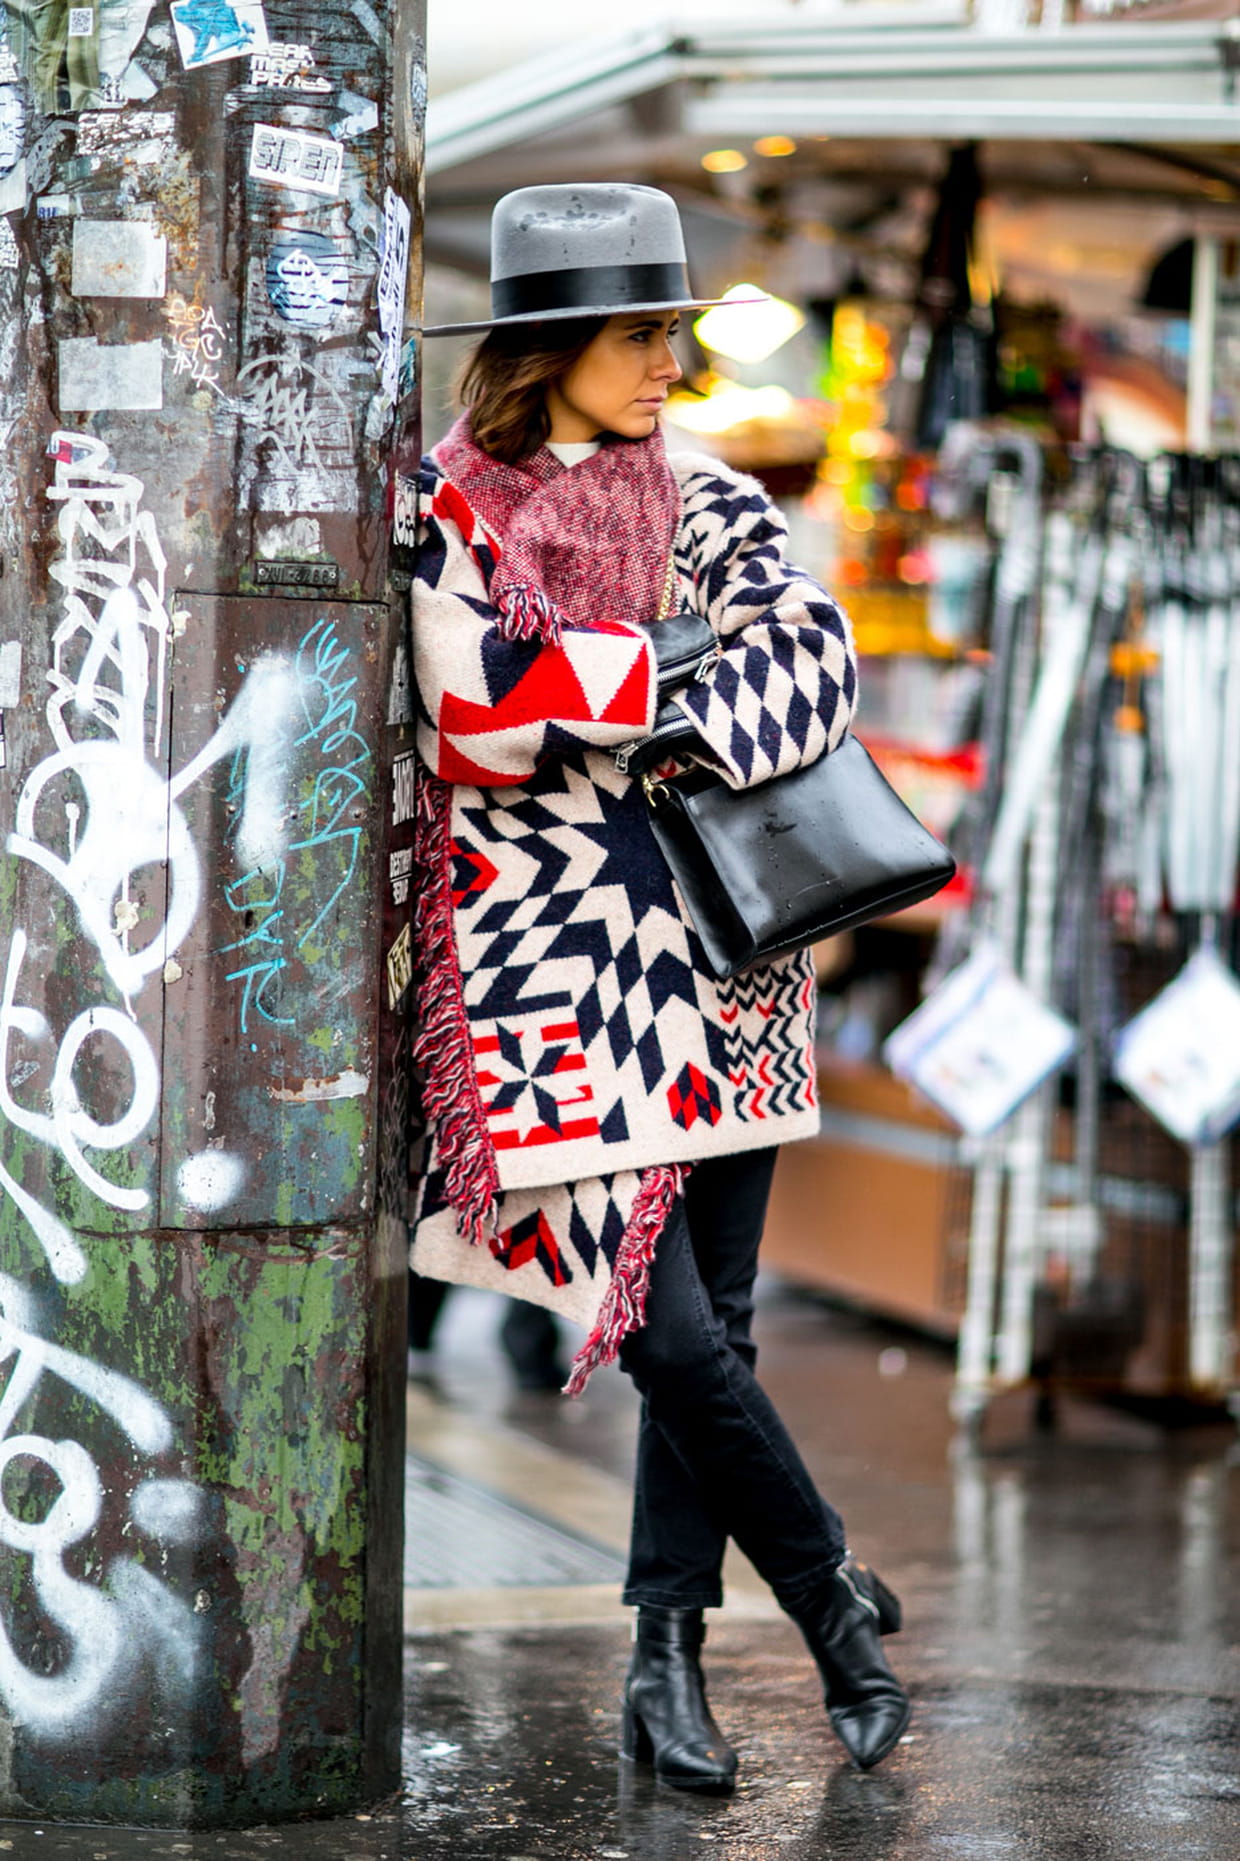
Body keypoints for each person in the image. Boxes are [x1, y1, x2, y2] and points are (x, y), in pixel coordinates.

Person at [409, 183, 909, 1794]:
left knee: (720, 1330)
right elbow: (469, 712)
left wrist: (603, 690)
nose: (665, 367)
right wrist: (670, 662)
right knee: (671, 1338)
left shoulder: (705, 493)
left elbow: (810, 667)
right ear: (550, 345)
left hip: (733, 960)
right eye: (637, 337)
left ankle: (665, 1660)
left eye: (670, 336)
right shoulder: (452, 508)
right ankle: (831, 1594)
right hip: (558, 988)